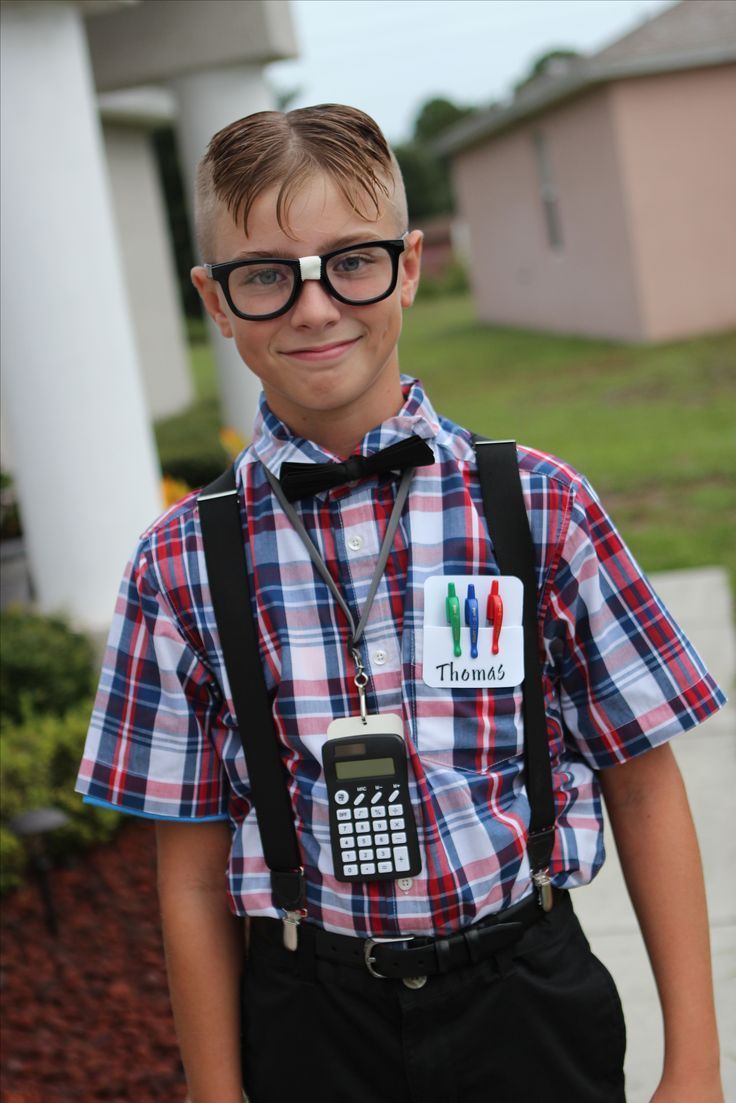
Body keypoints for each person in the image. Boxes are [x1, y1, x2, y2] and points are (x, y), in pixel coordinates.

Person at [76, 104, 726, 1103]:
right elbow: (192, 871)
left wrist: (694, 1062)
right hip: (308, 1016)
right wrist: (216, 1091)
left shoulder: (538, 506)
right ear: (214, 298)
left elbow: (640, 786)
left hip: (525, 995)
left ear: (409, 265)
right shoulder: (178, 562)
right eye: (264, 274)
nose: (314, 306)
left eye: (352, 260)